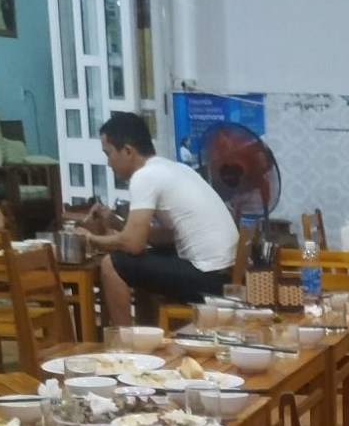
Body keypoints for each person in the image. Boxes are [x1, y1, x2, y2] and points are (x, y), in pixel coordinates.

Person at [87, 112, 239, 325]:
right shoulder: (173, 168)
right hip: (226, 273)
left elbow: (133, 244)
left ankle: (125, 340)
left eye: (108, 153)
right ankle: (146, 331)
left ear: (128, 151)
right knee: (139, 262)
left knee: (112, 264)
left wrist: (89, 239)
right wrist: (115, 222)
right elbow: (162, 237)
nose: (108, 163)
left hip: (209, 278)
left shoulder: (144, 177)